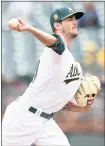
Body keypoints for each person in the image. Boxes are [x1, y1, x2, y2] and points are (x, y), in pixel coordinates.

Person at [2, 7, 94, 146]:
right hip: (22, 118)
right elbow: (55, 42)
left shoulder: (75, 65)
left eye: (75, 19)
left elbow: (63, 104)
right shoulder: (55, 49)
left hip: (45, 122)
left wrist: (83, 107)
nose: (75, 22)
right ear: (57, 25)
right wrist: (30, 28)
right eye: (69, 19)